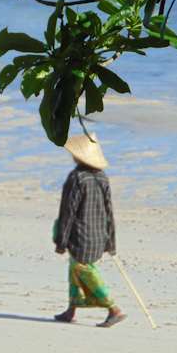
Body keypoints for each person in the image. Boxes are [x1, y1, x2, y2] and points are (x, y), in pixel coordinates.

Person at [53, 132, 126, 327]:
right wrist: (110, 241)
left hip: (80, 236)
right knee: (74, 270)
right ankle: (71, 309)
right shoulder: (103, 178)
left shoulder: (76, 178)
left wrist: (61, 240)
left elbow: (68, 211)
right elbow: (109, 211)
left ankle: (113, 309)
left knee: (84, 269)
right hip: (99, 235)